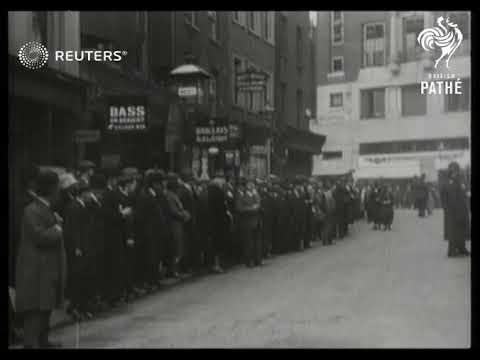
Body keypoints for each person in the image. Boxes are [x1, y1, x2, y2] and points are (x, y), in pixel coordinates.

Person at [15, 170, 66, 348]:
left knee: (45, 307)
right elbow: (40, 237)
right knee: (35, 310)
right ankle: (31, 344)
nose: (60, 189)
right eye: (58, 186)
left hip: (46, 269)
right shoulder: (32, 210)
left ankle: (43, 340)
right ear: (51, 188)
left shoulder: (44, 209)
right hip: (36, 271)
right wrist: (58, 229)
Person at [165, 173, 190, 278]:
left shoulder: (174, 194)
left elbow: (180, 207)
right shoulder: (169, 195)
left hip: (178, 224)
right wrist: (183, 215)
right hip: (174, 224)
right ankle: (173, 270)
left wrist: (185, 213)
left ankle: (176, 269)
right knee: (176, 247)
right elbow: (173, 211)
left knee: (179, 246)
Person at [444, 162, 470, 258]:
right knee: (453, 231)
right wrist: (447, 209)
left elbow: (465, 190)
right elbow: (447, 197)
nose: (455, 172)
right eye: (453, 170)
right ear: (450, 171)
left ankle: (462, 248)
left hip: (462, 209)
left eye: (456, 170)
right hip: (452, 210)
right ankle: (451, 251)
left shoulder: (460, 180)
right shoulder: (448, 182)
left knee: (462, 229)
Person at [235, 177, 262, 267]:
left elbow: (259, 204)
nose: (251, 186)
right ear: (246, 186)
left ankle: (257, 259)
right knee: (248, 243)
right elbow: (239, 208)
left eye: (252, 184)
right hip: (247, 222)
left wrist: (255, 197)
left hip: (256, 221)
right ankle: (248, 261)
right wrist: (252, 208)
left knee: (257, 242)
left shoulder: (255, 194)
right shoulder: (242, 195)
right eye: (249, 184)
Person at [207, 172, 230, 273]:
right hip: (218, 223)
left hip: (212, 222)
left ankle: (214, 264)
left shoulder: (209, 191)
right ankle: (217, 265)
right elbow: (221, 208)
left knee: (214, 244)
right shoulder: (218, 193)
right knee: (217, 245)